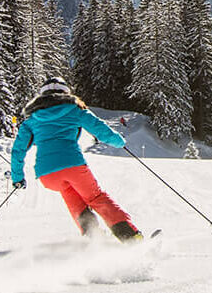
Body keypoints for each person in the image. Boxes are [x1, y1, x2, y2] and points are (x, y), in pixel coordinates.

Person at [9, 79, 144, 240]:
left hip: (47, 174)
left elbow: (18, 151)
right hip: (73, 165)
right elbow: (100, 129)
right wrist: (119, 142)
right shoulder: (74, 110)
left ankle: (93, 236)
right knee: (95, 197)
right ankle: (129, 236)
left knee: (70, 194)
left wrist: (17, 178)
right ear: (66, 93)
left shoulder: (31, 121)